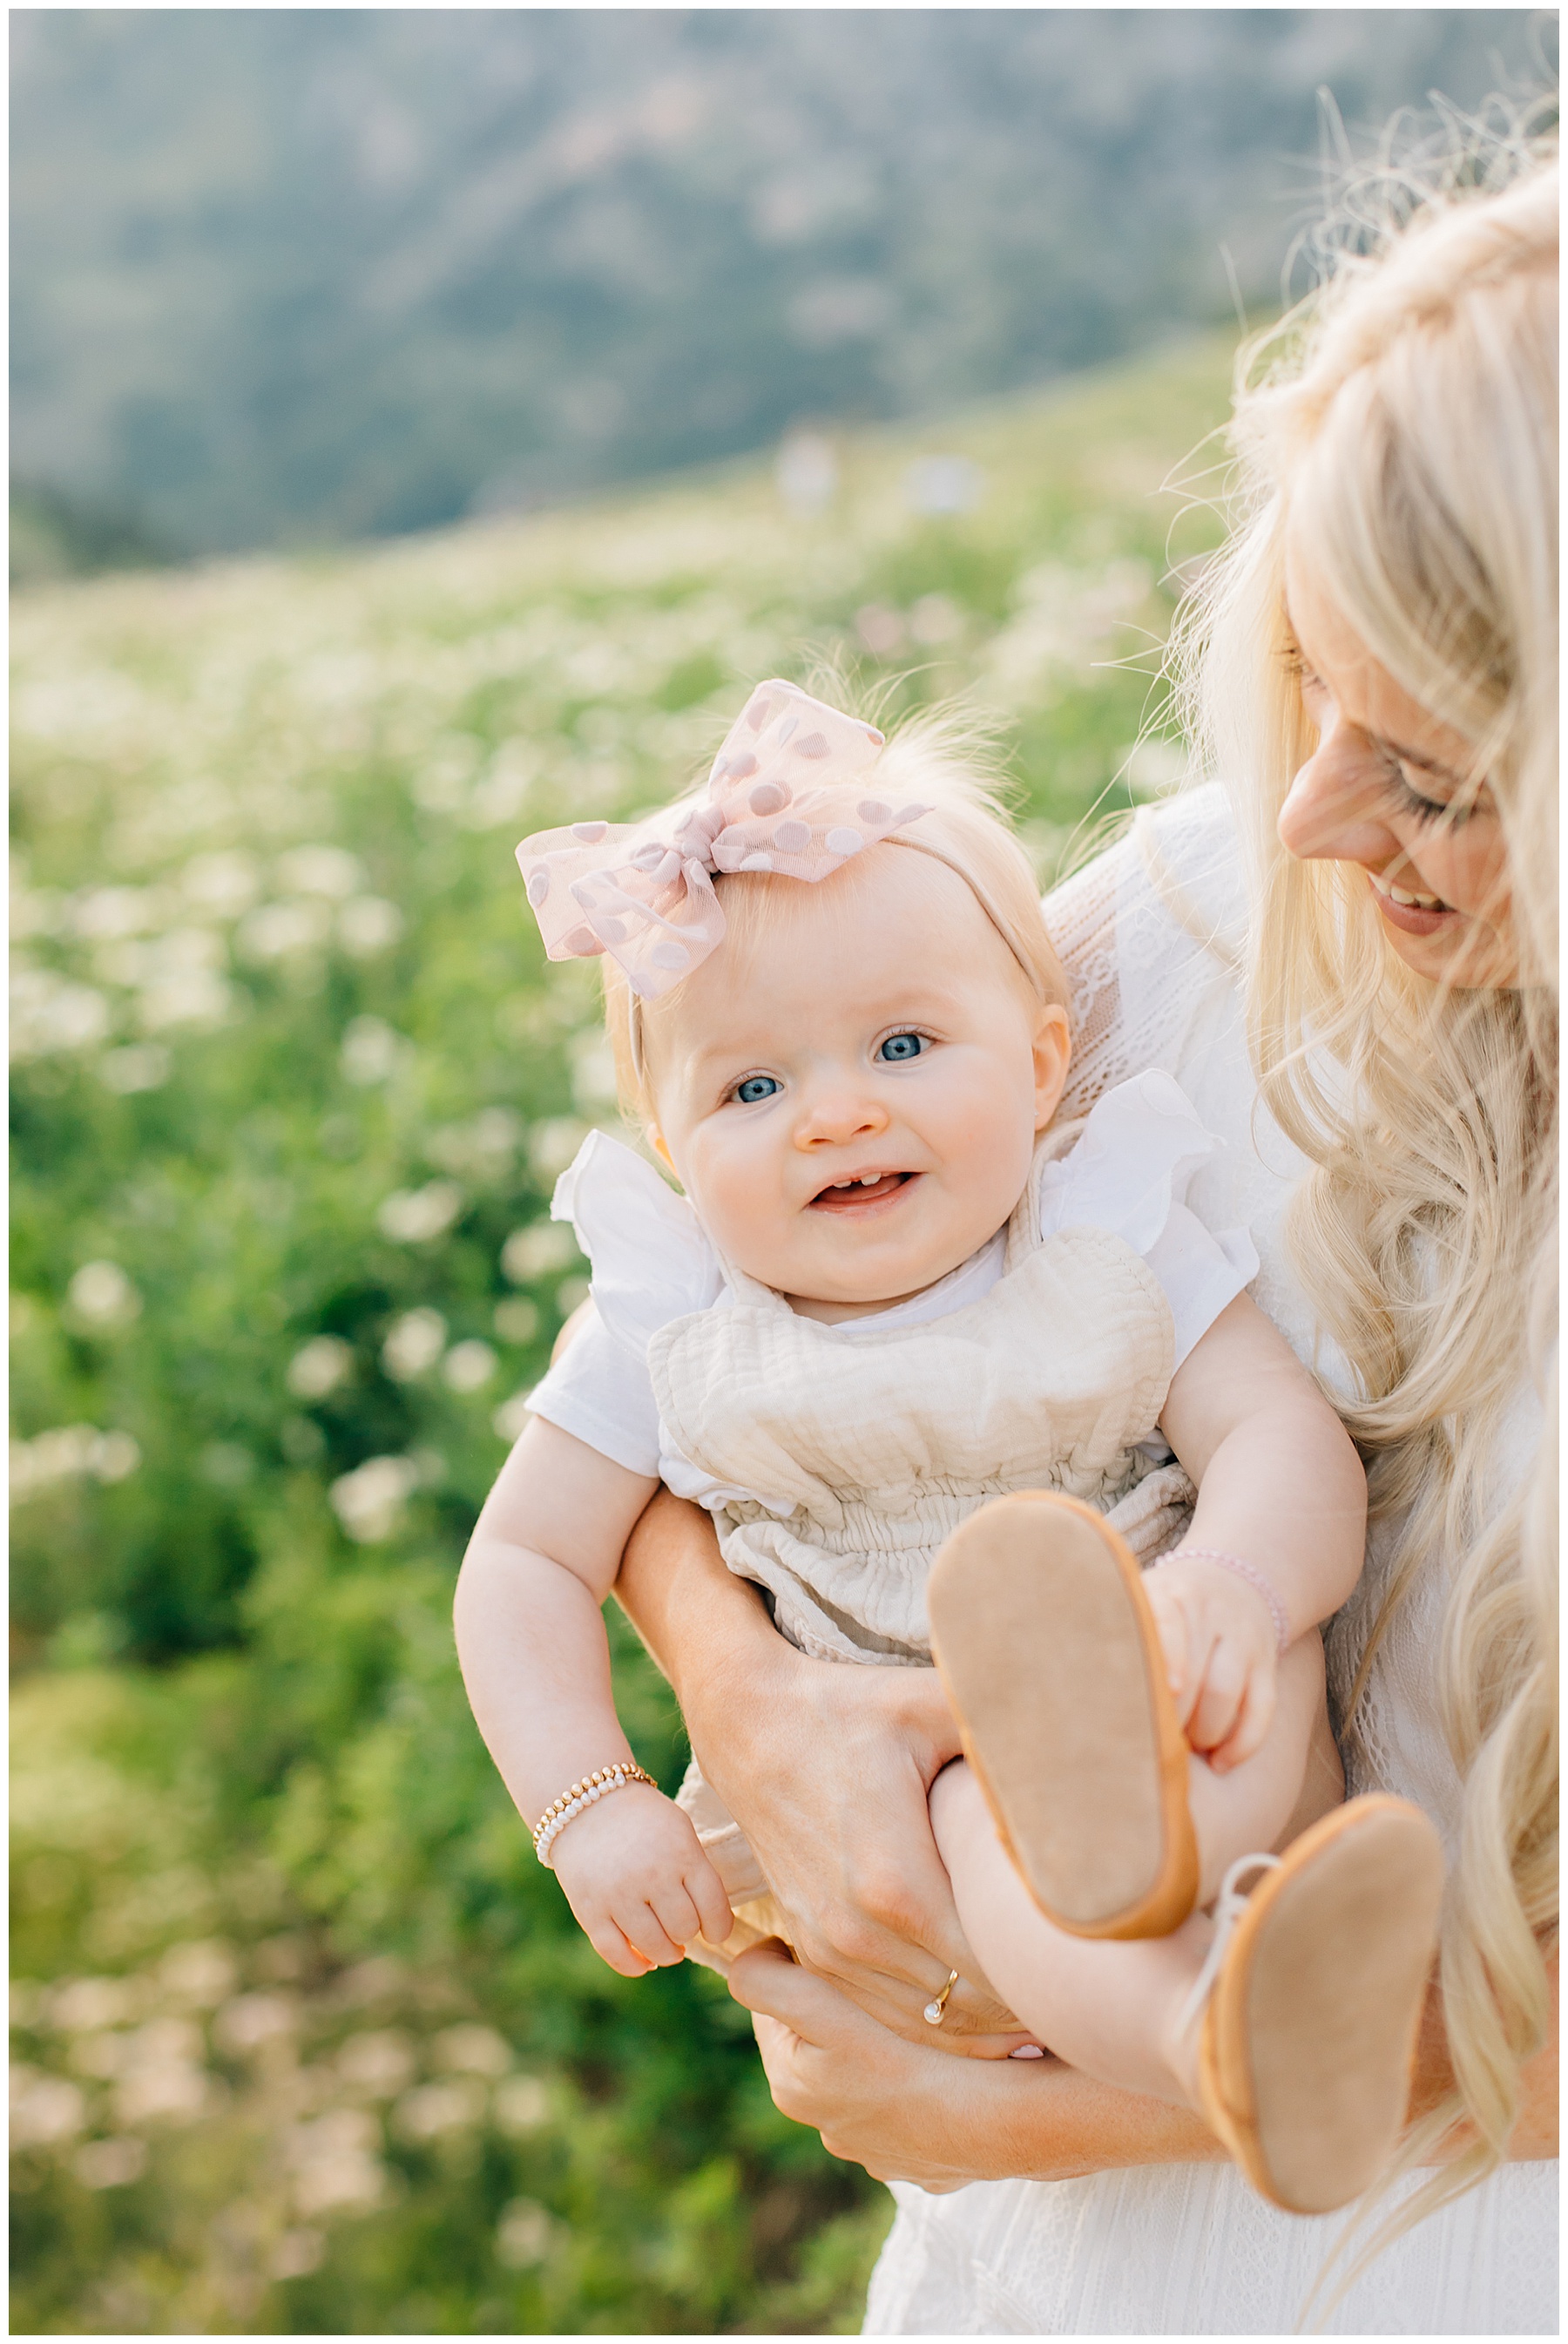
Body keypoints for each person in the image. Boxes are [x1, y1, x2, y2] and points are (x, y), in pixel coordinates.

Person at [608, 146, 1558, 2330]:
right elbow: (707, 1340)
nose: (1316, 807)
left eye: (1431, 762)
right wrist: (750, 1688)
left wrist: (1095, 2102)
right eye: (1311, 689)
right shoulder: (1203, 920)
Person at [456, 677, 1445, 2215]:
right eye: (753, 1086)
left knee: (1233, 1673)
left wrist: (1243, 1589)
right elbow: (521, 1560)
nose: (834, 1115)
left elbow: (1279, 1440)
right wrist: (588, 1797)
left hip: (1183, 1698)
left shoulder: (1105, 1230)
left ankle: (1200, 1897)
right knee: (997, 1820)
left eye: (904, 1044)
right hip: (923, 1799)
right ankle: (1221, 2031)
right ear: (667, 1143)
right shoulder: (674, 1322)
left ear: (1046, 1064)